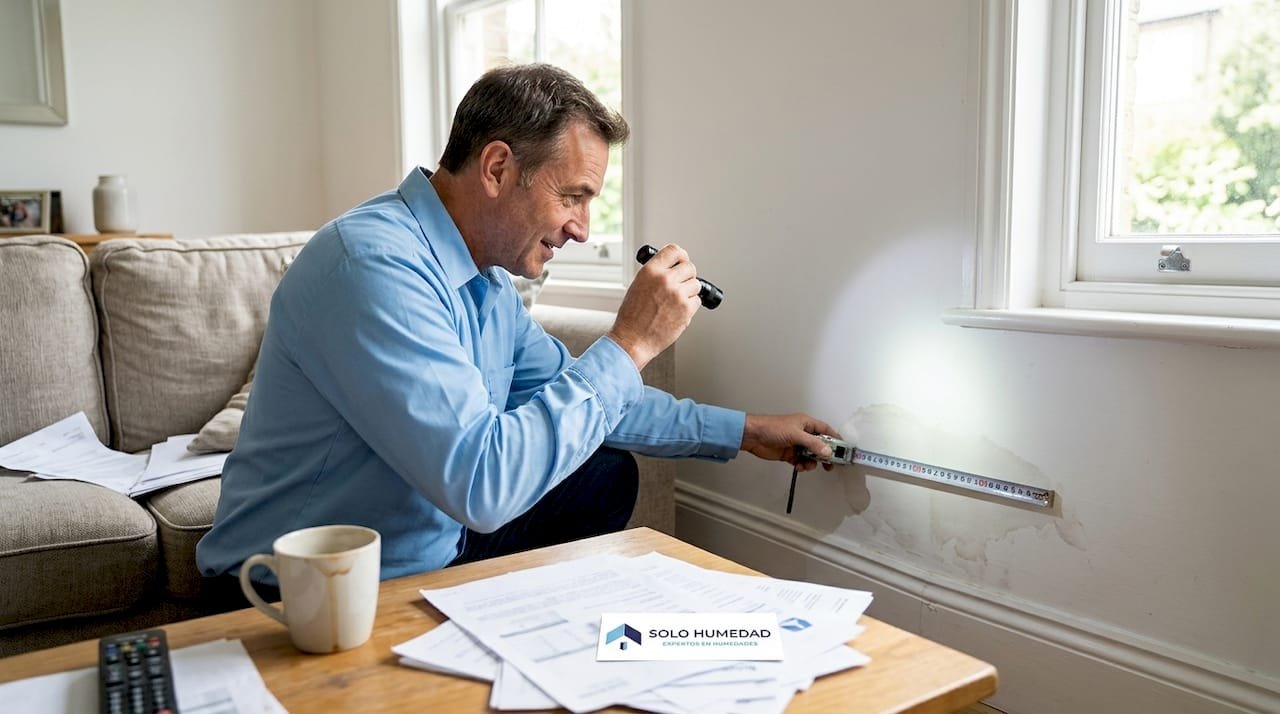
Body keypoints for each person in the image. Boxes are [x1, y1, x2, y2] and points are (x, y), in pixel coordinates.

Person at [196, 64, 839, 594]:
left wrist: (748, 432)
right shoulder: (371, 265)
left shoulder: (488, 282)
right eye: (574, 197)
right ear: (498, 168)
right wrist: (631, 342)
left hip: (427, 548)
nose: (583, 228)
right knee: (545, 474)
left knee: (604, 472)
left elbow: (594, 402)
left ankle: (519, 635)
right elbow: (482, 485)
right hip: (299, 586)